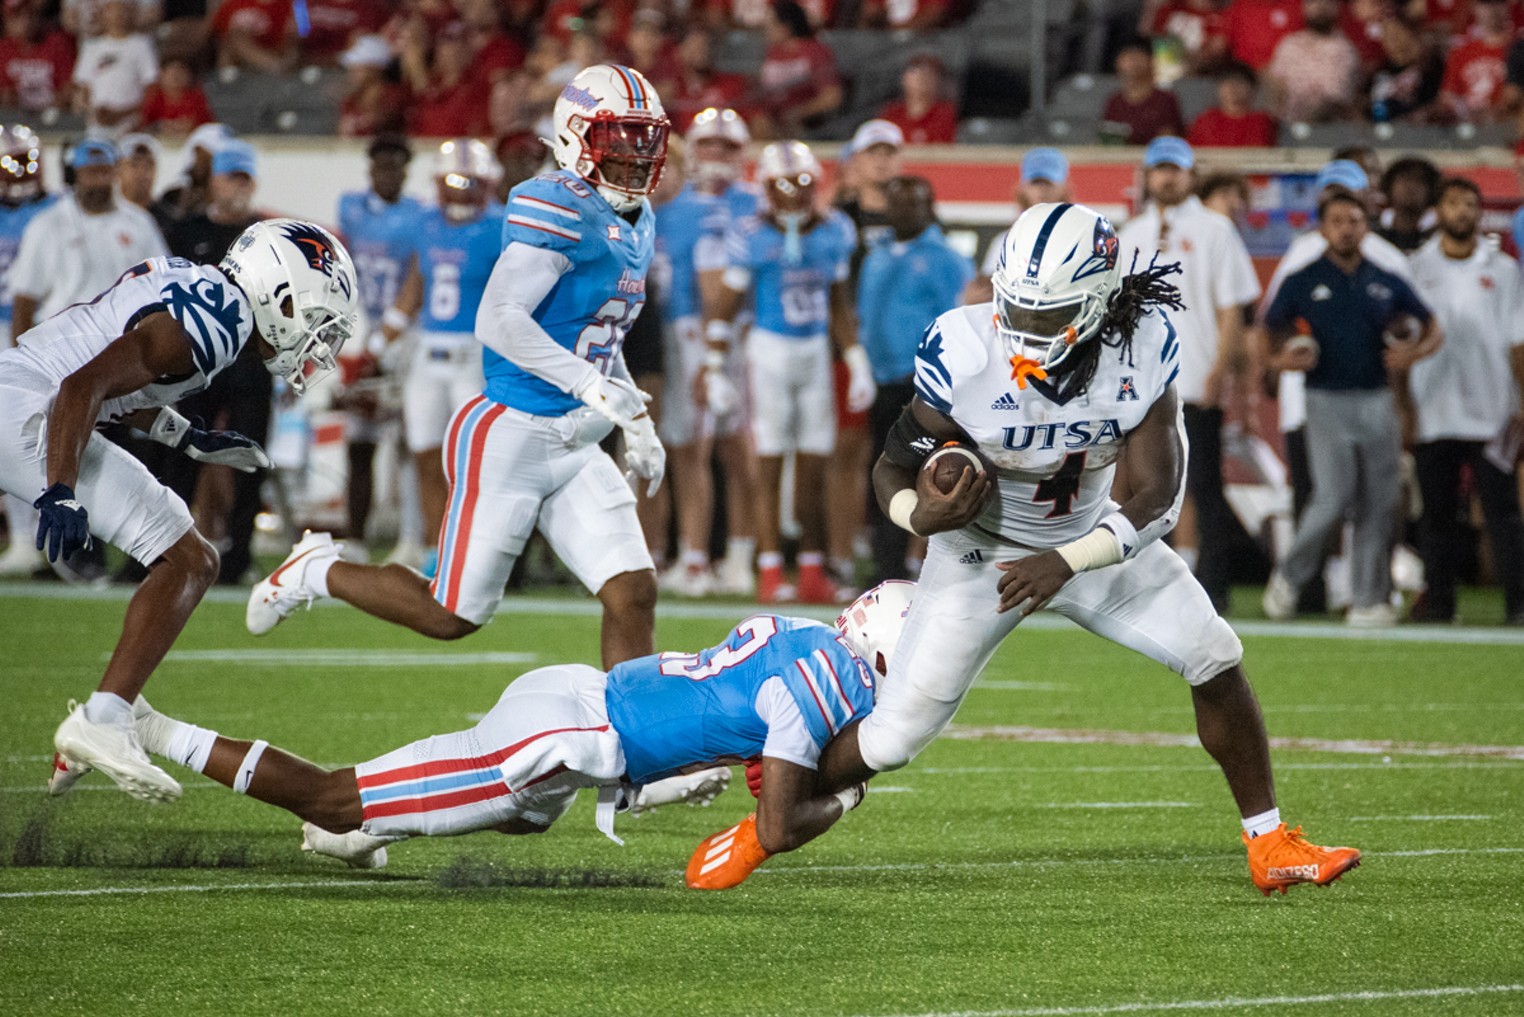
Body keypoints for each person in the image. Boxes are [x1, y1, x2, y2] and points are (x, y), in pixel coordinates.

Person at [808, 201, 1363, 897]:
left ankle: (1270, 841)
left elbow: (1159, 496)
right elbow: (892, 462)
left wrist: (1066, 562)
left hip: (1093, 538)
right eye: (1015, 306)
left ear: (1097, 301)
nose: (1023, 327)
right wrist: (916, 515)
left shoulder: (1146, 341)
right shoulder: (965, 344)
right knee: (891, 740)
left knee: (1215, 654)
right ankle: (771, 794)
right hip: (979, 555)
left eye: (1046, 315)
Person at [247, 64, 666, 670]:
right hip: (513, 432)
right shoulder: (560, 207)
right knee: (452, 615)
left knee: (633, 592)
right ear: (575, 137)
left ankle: (643, 747)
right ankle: (317, 571)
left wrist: (636, 423)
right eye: (620, 138)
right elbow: (499, 319)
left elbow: (602, 335)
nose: (636, 154)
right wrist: (593, 388)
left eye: (644, 138)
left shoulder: (638, 220)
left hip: (578, 440)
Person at [112, 585, 911, 890]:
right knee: (335, 796)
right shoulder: (825, 685)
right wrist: (842, 797)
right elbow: (774, 825)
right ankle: (152, 725)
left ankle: (365, 831)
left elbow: (719, 708)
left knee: (531, 815)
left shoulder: (805, 634)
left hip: (582, 699)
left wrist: (684, 773)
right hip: (565, 734)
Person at [0, 219, 358, 801]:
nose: (313, 339)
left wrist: (186, 438)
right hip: (30, 409)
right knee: (188, 560)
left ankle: (106, 715)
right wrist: (59, 489)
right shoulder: (220, 321)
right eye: (314, 317)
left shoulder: (207, 296)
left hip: (23, 395)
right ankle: (105, 718)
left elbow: (122, 387)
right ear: (278, 292)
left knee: (189, 556)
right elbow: (81, 385)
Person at [701, 140, 875, 604]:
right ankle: (771, 570)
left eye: (802, 183)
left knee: (817, 461)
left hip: (814, 350)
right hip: (769, 351)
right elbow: (722, 308)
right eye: (783, 184)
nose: (794, 193)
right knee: (771, 460)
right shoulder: (751, 234)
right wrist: (715, 368)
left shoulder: (834, 229)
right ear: (766, 188)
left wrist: (856, 361)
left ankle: (813, 569)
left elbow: (839, 303)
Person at [1261, 191, 1442, 626]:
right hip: (1324, 398)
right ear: (1323, 228)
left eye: (1355, 220)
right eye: (1338, 220)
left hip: (1377, 396)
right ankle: (1289, 574)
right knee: (1333, 496)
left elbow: (1431, 323)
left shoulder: (1384, 277)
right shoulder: (1303, 278)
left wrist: (1412, 354)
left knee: (1379, 501)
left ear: (1367, 225)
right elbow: (1268, 328)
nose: (1347, 228)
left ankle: (1366, 598)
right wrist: (1279, 361)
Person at [1118, 137, 1261, 612]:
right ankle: (1137, 580)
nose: (1167, 177)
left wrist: (1221, 369)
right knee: (1139, 485)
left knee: (1201, 484)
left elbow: (1230, 309)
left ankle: (1210, 584)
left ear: (1190, 174)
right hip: (1139, 384)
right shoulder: (1131, 233)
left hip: (1195, 377)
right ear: (1147, 174)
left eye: (1174, 169)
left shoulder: (1215, 229)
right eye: (1159, 169)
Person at [371, 138, 502, 579]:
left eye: (470, 183)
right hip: (429, 350)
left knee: (471, 459)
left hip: (477, 352)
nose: (461, 192)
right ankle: (434, 549)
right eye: (453, 182)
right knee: (425, 452)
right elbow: (415, 285)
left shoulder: (501, 227)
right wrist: (378, 343)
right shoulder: (425, 225)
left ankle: (476, 550)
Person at [1405, 178, 1524, 625]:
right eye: (1453, 203)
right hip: (1433, 410)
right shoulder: (1414, 267)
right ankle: (1439, 604)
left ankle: (1518, 603)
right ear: (1438, 210)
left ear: (1479, 214)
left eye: (1470, 204)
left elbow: (1519, 342)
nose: (1462, 211)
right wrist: (1405, 408)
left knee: (1504, 514)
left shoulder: (1505, 269)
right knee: (1436, 517)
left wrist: (1522, 402)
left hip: (1492, 411)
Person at [654, 107, 760, 597]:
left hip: (739, 332)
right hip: (678, 332)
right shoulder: (669, 207)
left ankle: (731, 558)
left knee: (734, 447)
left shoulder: (756, 204)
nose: (715, 156)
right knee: (684, 444)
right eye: (708, 146)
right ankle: (693, 553)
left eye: (726, 147)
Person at [857, 174, 972, 585]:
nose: (903, 211)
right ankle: (886, 569)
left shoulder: (946, 259)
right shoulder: (876, 254)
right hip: (884, 383)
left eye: (912, 203)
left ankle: (945, 569)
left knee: (941, 476)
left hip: (928, 389)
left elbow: (962, 323)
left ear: (929, 207)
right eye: (896, 202)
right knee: (885, 474)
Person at [335, 135, 427, 560]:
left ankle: (411, 536)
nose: (389, 173)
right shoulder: (351, 209)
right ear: (370, 169)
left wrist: (387, 336)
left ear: (406, 171)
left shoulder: (420, 216)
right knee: (360, 436)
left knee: (412, 437)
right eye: (382, 165)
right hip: (370, 329)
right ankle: (355, 538)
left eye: (396, 165)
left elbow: (417, 277)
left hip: (409, 335)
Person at [9, 139, 167, 337]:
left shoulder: (140, 222)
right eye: (91, 173)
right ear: (74, 175)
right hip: (61, 340)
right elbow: (25, 298)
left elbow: (161, 282)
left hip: (124, 338)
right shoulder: (46, 225)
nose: (99, 181)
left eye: (105, 172)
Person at [0, 123, 53, 579]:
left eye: (25, 161)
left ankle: (36, 536)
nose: (19, 173)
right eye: (11, 162)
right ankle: (20, 536)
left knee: (32, 436)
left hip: (38, 330)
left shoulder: (55, 210)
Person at [966, 147, 1070, 305]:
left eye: (1048, 184)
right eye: (1036, 183)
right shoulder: (1005, 240)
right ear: (1022, 188)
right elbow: (984, 294)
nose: (1042, 190)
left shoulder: (1076, 235)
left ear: (1063, 187)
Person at [1262, 0, 1360, 124]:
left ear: (1337, 8)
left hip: (1329, 128)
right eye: (1313, 2)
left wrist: (1308, 122)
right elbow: (1276, 85)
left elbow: (1336, 100)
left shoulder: (1346, 50)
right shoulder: (1289, 45)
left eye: (1327, 3)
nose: (1320, 7)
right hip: (1288, 128)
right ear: (1304, 8)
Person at [71, 0, 157, 134]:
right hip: (97, 123)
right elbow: (83, 87)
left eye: (123, 11)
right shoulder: (91, 47)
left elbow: (151, 87)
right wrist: (93, 112)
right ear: (103, 14)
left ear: (131, 13)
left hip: (130, 123)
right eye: (112, 10)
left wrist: (124, 113)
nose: (118, 15)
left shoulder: (141, 45)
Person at [1100, 38, 1185, 145]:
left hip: (1153, 158)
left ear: (1150, 61)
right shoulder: (1114, 101)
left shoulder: (1165, 99)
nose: (1132, 62)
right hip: (1120, 159)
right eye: (1128, 56)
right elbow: (1108, 140)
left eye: (1138, 55)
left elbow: (1168, 140)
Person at [1186, 63, 1278, 147]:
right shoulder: (1205, 120)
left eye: (1239, 82)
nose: (1232, 87)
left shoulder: (1262, 122)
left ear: (1253, 89)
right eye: (1226, 82)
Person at [878, 53, 958, 145]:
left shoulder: (948, 114)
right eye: (915, 70)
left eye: (930, 73)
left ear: (938, 80)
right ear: (904, 78)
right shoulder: (891, 114)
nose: (922, 77)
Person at [1375, 156, 1439, 254]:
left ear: (1431, 190)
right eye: (1404, 179)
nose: (1411, 187)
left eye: (1419, 180)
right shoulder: (1372, 231)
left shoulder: (1440, 235)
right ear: (1389, 186)